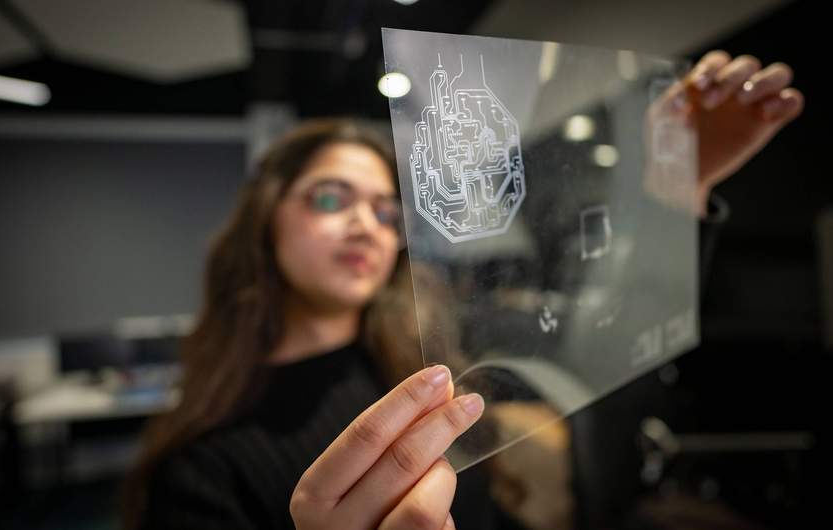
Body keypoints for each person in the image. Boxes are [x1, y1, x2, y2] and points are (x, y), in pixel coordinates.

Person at [123, 50, 803, 530]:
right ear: (266, 222)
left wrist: (674, 191)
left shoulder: (432, 359)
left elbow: (613, 363)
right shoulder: (203, 468)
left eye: (389, 211)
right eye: (332, 198)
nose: (367, 222)